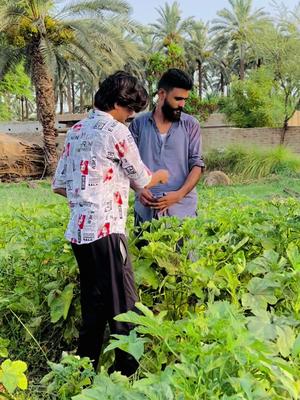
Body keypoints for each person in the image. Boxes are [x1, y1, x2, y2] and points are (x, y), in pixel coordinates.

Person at [52, 71, 169, 375]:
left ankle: (84, 373)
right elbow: (143, 176)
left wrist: (105, 189)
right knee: (124, 310)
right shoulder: (116, 131)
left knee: (94, 306)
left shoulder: (76, 131)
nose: (130, 117)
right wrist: (160, 177)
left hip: (80, 233)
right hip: (107, 232)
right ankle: (126, 377)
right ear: (119, 103)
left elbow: (61, 184)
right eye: (130, 111)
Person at [129, 68, 205, 228]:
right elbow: (128, 166)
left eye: (185, 99)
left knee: (183, 253)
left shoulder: (191, 125)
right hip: (145, 213)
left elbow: (197, 164)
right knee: (146, 253)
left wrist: (179, 195)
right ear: (162, 94)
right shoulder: (137, 125)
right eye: (178, 98)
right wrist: (139, 189)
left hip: (183, 213)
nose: (182, 104)